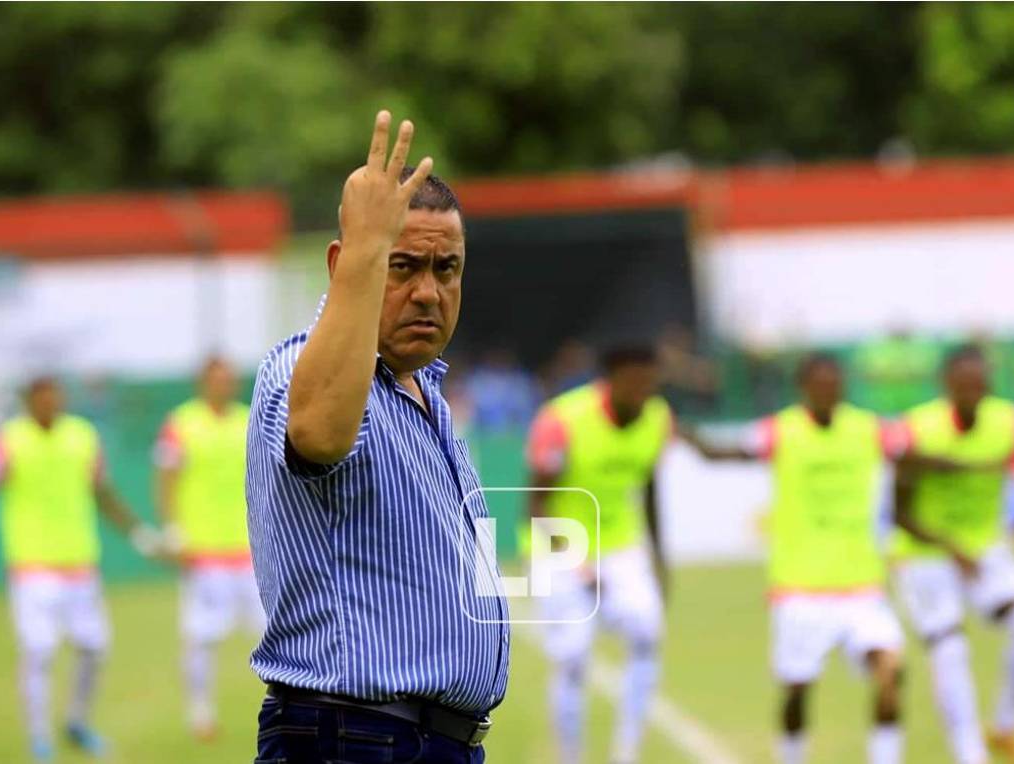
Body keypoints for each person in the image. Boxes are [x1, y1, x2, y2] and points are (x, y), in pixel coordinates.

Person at [246, 111, 508, 764]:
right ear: (345, 265)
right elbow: (319, 434)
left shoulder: (428, 397)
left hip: (427, 741)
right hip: (357, 738)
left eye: (447, 269)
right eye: (403, 266)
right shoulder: (305, 368)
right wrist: (366, 249)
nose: (428, 292)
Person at [692, 354, 910, 764]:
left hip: (861, 584)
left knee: (891, 672)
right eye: (821, 384)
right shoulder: (779, 430)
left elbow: (914, 455)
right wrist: (685, 436)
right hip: (799, 588)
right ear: (804, 388)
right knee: (798, 690)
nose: (830, 392)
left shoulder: (868, 429)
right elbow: (723, 454)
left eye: (836, 384)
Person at [0, 376, 162, 761]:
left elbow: (103, 493)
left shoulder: (82, 437)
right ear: (28, 401)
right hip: (33, 567)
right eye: (42, 398)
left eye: (54, 396)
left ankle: (76, 721)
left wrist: (138, 532)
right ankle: (39, 739)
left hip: (79, 564)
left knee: (94, 647)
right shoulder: (10, 441)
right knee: (39, 649)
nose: (49, 404)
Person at [527, 345, 714, 764]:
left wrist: (660, 561)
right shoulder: (561, 420)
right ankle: (569, 756)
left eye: (650, 383)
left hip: (620, 547)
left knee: (648, 633)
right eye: (634, 383)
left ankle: (626, 754)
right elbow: (535, 505)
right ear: (608, 380)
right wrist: (576, 561)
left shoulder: (658, 419)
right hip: (560, 545)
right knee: (573, 658)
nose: (643, 392)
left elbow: (649, 492)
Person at [892, 345, 1014, 764]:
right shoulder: (918, 428)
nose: (970, 392)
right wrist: (949, 549)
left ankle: (1005, 725)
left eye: (978, 384)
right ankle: (970, 755)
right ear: (946, 385)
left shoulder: (1008, 420)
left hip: (984, 549)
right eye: (961, 385)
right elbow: (898, 513)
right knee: (949, 649)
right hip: (925, 553)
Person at [154, 356, 265, 741]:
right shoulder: (181, 424)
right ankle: (200, 713)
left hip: (249, 550)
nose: (224, 385)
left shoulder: (248, 419)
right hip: (202, 551)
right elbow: (166, 478)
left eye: (229, 378)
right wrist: (173, 532)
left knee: (272, 633)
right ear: (203, 382)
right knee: (201, 636)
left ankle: (284, 707)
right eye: (217, 379)